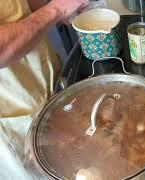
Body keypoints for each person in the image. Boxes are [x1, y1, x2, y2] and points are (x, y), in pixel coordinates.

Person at [0, 0, 89, 178]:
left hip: (50, 84)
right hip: (18, 115)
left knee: (81, 162)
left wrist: (63, 10)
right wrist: (54, 10)